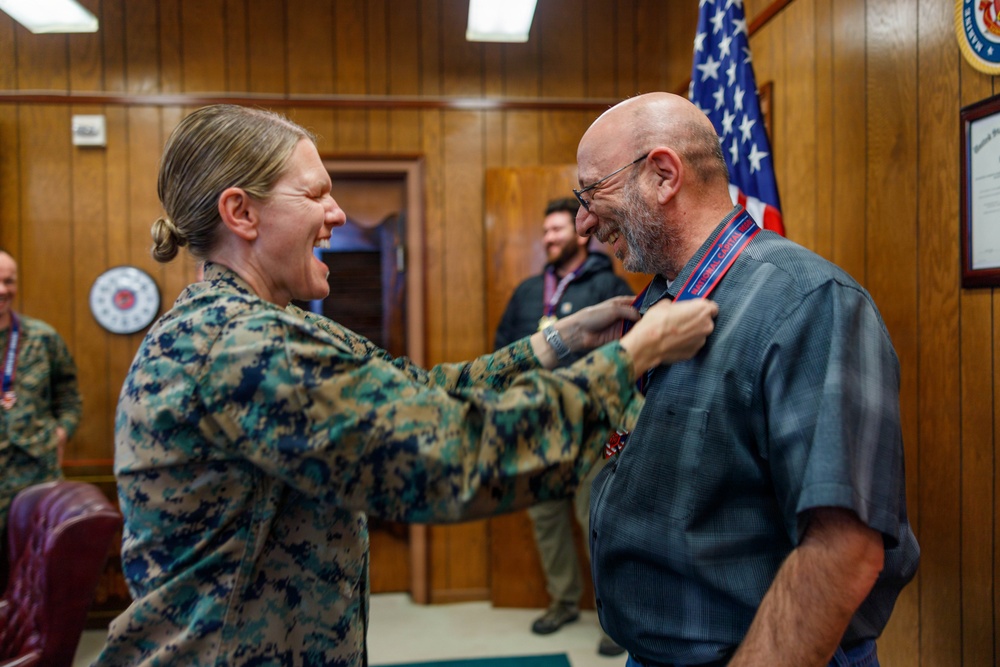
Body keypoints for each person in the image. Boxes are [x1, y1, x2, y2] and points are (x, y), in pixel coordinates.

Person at [93, 104, 719, 667]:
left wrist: (559, 341)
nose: (336, 214)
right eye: (315, 195)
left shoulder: (266, 325)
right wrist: (634, 356)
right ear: (242, 212)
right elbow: (453, 454)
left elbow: (419, 389)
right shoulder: (240, 347)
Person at [574, 92, 920, 667]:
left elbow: (842, 551)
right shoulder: (657, 302)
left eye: (592, 193)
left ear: (663, 174)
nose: (585, 220)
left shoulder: (809, 302)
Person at [494, 197, 631, 657]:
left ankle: (614, 621)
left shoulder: (606, 285)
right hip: (536, 430)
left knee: (596, 522)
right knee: (546, 519)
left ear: (578, 234)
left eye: (556, 230)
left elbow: (622, 358)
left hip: (591, 432)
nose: (548, 238)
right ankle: (562, 601)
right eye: (545, 232)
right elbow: (502, 349)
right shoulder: (529, 290)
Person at [0, 249, 82, 590]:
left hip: (35, 477)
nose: (3, 289)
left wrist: (63, 431)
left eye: (8, 280)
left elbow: (69, 394)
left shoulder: (43, 337)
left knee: (35, 582)